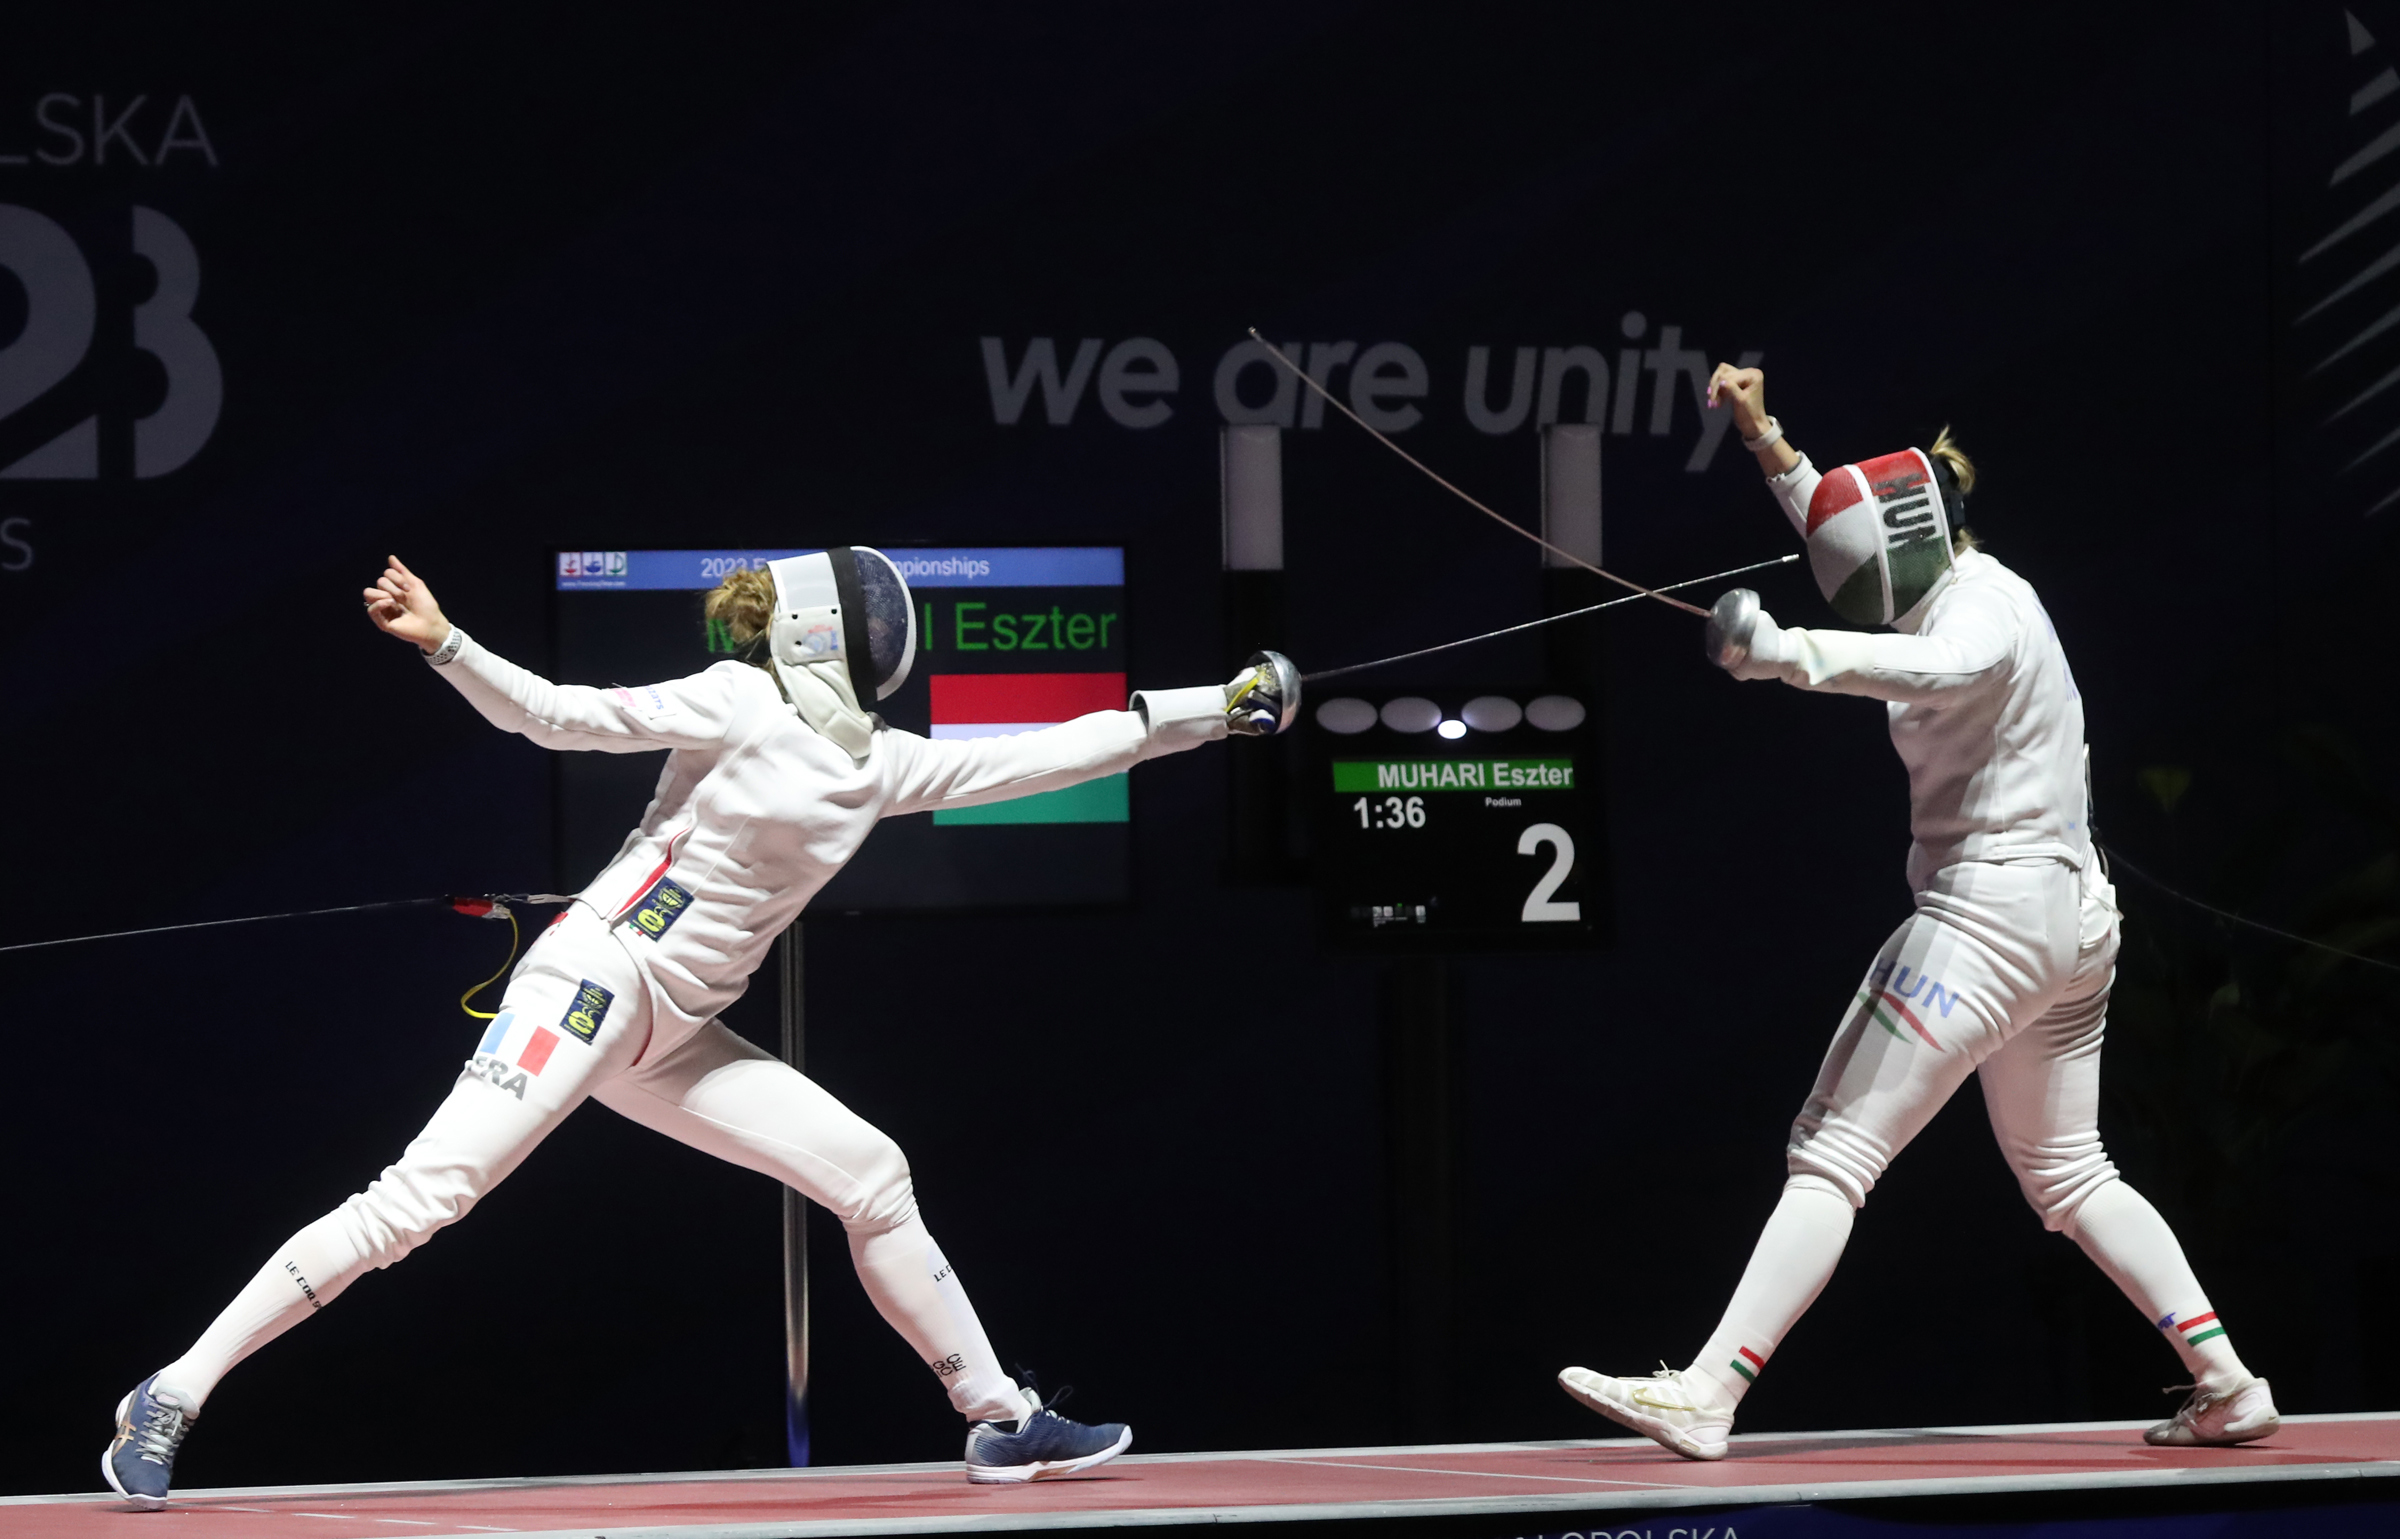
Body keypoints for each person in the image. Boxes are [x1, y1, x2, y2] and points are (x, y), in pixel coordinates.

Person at [104, 550, 1293, 1507]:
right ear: (829, 633)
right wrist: (448, 642)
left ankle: (999, 1419)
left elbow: (1049, 755)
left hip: (673, 1033)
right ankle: (171, 1395)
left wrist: (1222, 710)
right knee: (420, 1202)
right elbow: (557, 717)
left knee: (873, 1176)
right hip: (589, 983)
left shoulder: (881, 765)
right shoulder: (738, 698)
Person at [1555, 367, 2276, 1460]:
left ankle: (1707, 1391)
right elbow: (1837, 522)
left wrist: (1785, 654)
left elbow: (1934, 666)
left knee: (1833, 1150)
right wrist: (1764, 437)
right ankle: (2227, 1381)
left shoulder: (1980, 613)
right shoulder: (1943, 565)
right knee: (2068, 1170)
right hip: (2070, 924)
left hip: (1989, 921)